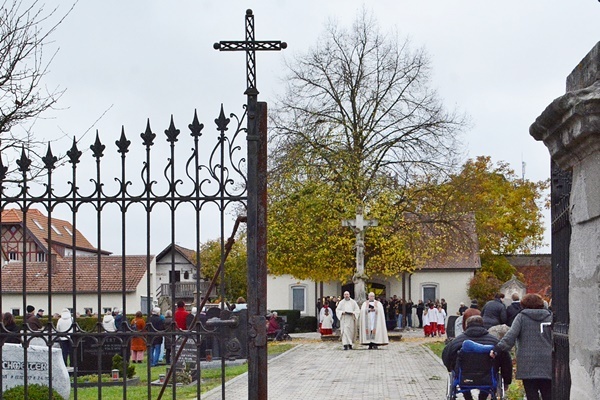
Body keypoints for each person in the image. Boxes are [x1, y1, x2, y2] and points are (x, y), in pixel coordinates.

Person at [491, 293, 552, 400]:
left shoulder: (522, 317)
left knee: (531, 394)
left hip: (527, 361)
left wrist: (497, 349)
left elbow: (510, 336)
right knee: (548, 393)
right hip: (547, 360)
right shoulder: (549, 317)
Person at [442, 316, 512, 400]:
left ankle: (467, 396)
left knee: (460, 373)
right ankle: (483, 396)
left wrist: (451, 368)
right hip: (488, 377)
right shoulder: (495, 342)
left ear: (466, 325)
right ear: (483, 325)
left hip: (464, 377)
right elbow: (506, 362)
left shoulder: (456, 342)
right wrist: (507, 381)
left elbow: (446, 357)